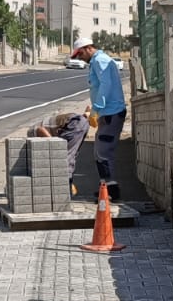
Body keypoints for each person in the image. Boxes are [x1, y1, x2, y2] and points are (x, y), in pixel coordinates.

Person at [70, 37, 127, 200]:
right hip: (107, 113)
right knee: (100, 152)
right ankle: (106, 188)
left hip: (110, 113)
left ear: (88, 48)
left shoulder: (99, 60)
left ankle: (110, 191)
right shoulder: (98, 61)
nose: (80, 58)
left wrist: (97, 108)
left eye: (80, 54)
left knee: (103, 152)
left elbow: (105, 85)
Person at [30, 109, 90, 197]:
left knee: (65, 154)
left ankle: (66, 184)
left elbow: (40, 130)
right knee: (71, 154)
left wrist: (56, 146)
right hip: (79, 122)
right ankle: (67, 184)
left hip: (77, 123)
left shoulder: (32, 132)